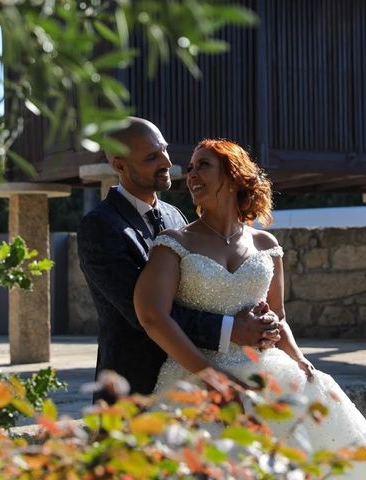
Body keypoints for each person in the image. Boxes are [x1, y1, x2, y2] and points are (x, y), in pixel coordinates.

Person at [133, 139, 366, 479]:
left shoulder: (266, 244)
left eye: (203, 165)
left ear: (233, 176)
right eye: (190, 169)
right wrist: (213, 380)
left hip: (269, 373)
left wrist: (298, 356)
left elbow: (277, 316)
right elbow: (152, 316)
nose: (191, 175)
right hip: (193, 375)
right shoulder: (175, 243)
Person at [77, 118, 282, 404]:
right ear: (120, 166)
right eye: (151, 157)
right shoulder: (99, 227)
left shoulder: (176, 215)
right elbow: (142, 314)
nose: (166, 161)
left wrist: (263, 321)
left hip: (193, 378)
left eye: (164, 150)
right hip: (135, 386)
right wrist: (230, 329)